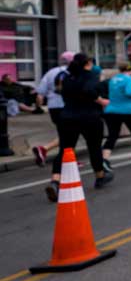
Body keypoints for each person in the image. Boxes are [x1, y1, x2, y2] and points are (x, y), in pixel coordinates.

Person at [45, 53, 112, 201]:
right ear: (87, 63)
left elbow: (62, 93)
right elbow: (89, 90)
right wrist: (100, 100)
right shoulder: (90, 76)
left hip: (67, 117)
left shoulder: (68, 78)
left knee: (65, 149)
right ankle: (100, 176)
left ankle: (55, 181)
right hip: (89, 117)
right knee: (94, 147)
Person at [33, 51, 74, 178]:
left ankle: (45, 150)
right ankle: (65, 160)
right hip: (68, 106)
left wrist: (38, 107)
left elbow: (40, 94)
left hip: (53, 107)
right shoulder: (72, 72)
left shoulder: (50, 72)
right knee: (70, 134)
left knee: (65, 133)